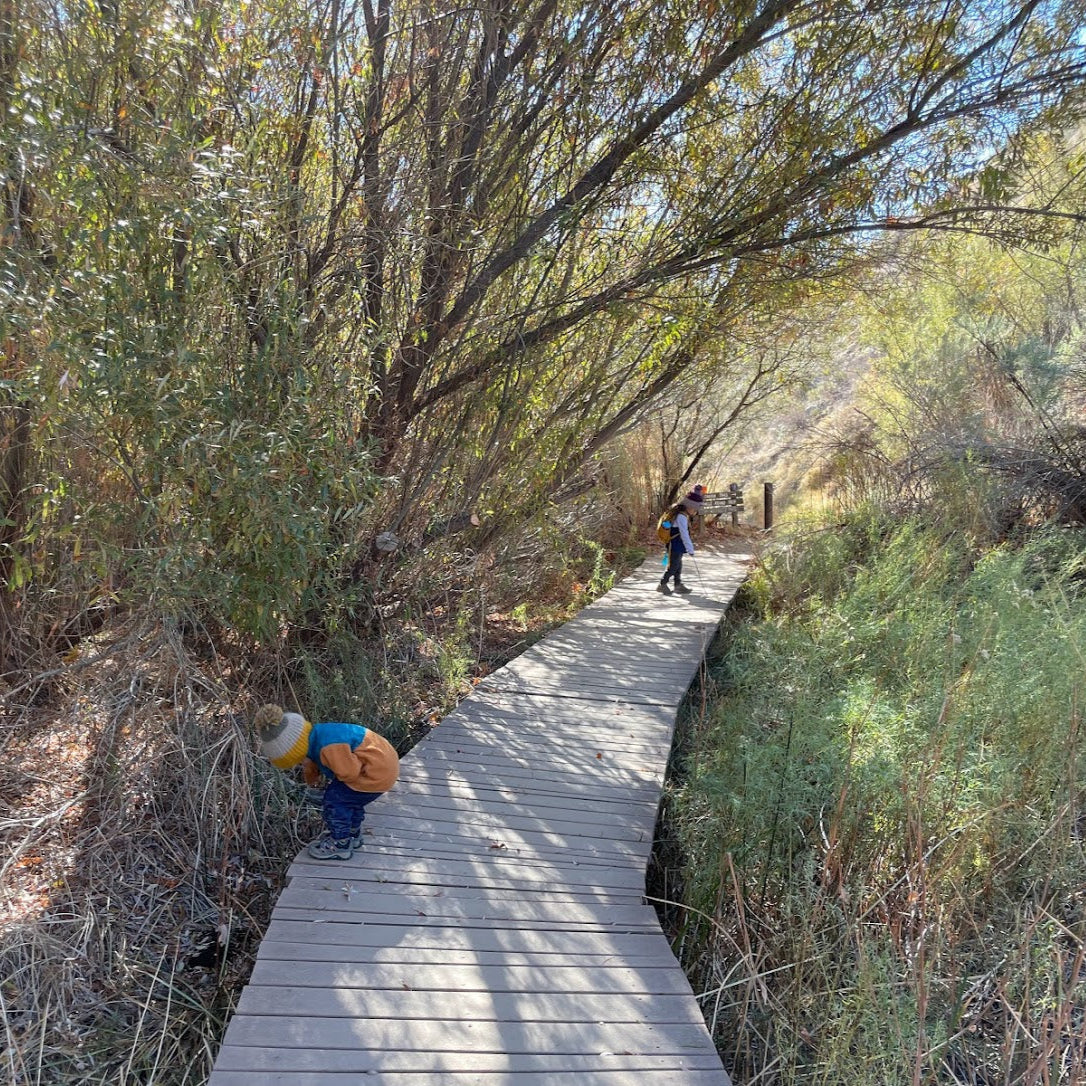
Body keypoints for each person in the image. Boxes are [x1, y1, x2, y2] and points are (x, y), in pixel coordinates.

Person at [255, 703, 400, 860]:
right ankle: (352, 833)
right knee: (351, 800)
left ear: (294, 751)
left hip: (375, 773)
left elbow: (349, 772)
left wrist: (332, 785)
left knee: (335, 801)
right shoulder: (315, 736)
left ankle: (340, 843)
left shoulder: (329, 746)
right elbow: (312, 763)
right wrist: (313, 778)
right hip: (382, 766)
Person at [657, 499, 695, 594]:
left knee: (678, 565)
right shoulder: (681, 517)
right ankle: (662, 584)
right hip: (675, 544)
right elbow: (684, 534)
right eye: (693, 508)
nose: (694, 511)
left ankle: (677, 585)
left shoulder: (680, 515)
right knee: (674, 566)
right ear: (687, 508)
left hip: (677, 544)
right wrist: (690, 549)